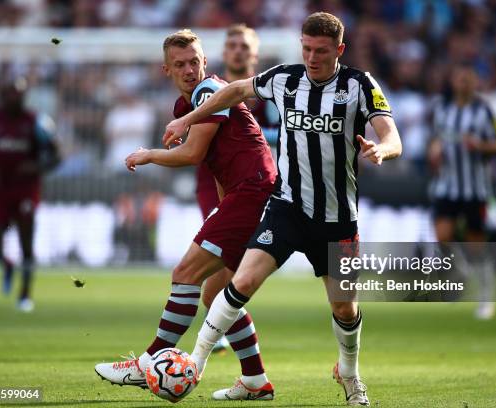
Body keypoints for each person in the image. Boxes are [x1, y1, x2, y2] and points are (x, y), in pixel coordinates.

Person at [163, 12, 403, 406]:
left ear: (339, 50)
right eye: (306, 49)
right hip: (286, 207)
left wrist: (382, 150)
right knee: (241, 282)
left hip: (337, 217)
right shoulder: (284, 78)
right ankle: (195, 362)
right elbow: (234, 90)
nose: (311, 58)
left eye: (321, 51)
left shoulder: (359, 85)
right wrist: (188, 118)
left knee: (344, 307)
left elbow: (392, 135)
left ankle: (350, 372)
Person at [94, 29, 277, 401]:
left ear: (205, 62)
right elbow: (217, 163)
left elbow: (193, 154)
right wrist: (223, 205)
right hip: (246, 193)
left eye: (194, 61)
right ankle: (256, 380)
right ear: (167, 70)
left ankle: (146, 363)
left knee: (185, 274)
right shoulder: (187, 107)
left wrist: (147, 155)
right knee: (216, 295)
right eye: (180, 64)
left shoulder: (209, 92)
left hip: (254, 191)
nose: (189, 69)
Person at [197, 24, 279, 354]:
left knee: (224, 275)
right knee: (221, 271)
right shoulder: (209, 91)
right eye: (231, 44)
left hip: (254, 185)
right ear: (223, 52)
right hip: (211, 182)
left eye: (244, 45)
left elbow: (284, 135)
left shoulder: (267, 94)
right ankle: (224, 331)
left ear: (254, 53)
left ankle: (220, 327)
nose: (237, 50)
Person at [427, 62, 496, 319]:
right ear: (453, 82)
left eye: (468, 79)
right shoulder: (442, 109)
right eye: (459, 79)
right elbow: (437, 139)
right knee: (442, 236)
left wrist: (481, 145)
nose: (463, 84)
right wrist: (435, 150)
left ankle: (486, 298)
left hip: (475, 188)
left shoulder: (485, 111)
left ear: (475, 83)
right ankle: (460, 272)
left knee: (476, 245)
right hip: (447, 185)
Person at [0, 78, 59, 313]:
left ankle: (24, 295)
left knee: (26, 241)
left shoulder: (37, 121)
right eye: (10, 94)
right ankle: (7, 265)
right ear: (3, 96)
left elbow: (56, 154)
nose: (15, 98)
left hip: (26, 189)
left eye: (19, 94)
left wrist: (36, 168)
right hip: (0, 188)